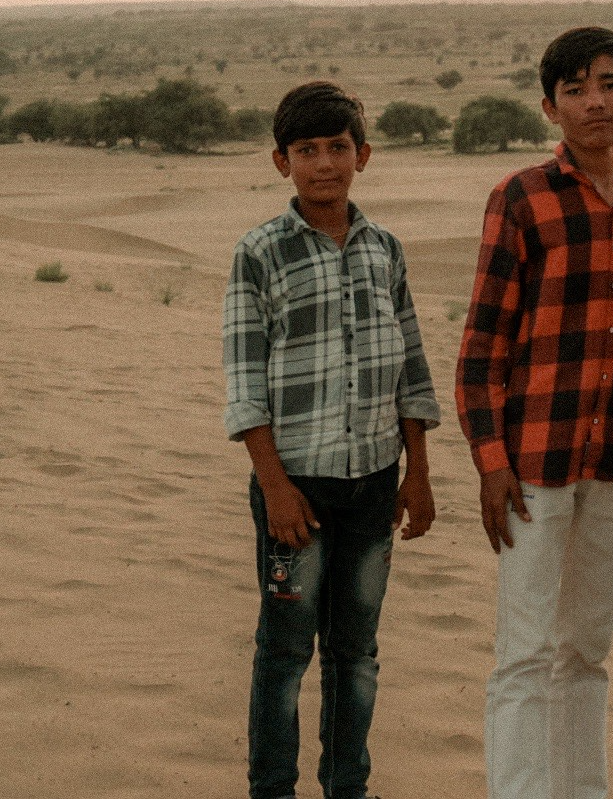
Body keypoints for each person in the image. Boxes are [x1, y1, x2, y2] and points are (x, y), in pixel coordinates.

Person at [456, 26, 613, 799]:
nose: (595, 102)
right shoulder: (521, 198)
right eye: (575, 90)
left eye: (609, 84)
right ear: (550, 108)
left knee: (589, 648)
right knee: (524, 649)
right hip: (533, 464)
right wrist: (489, 464)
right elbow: (481, 346)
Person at [223, 81, 440, 799]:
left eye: (338, 148)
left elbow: (411, 367)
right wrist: (276, 487)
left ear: (363, 155)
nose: (325, 163)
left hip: (375, 483)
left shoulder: (385, 251)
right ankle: (272, 790)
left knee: (357, 654)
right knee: (285, 652)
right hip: (297, 492)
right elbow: (245, 381)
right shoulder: (260, 253)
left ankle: (348, 787)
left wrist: (420, 473)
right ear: (281, 161)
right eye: (307, 150)